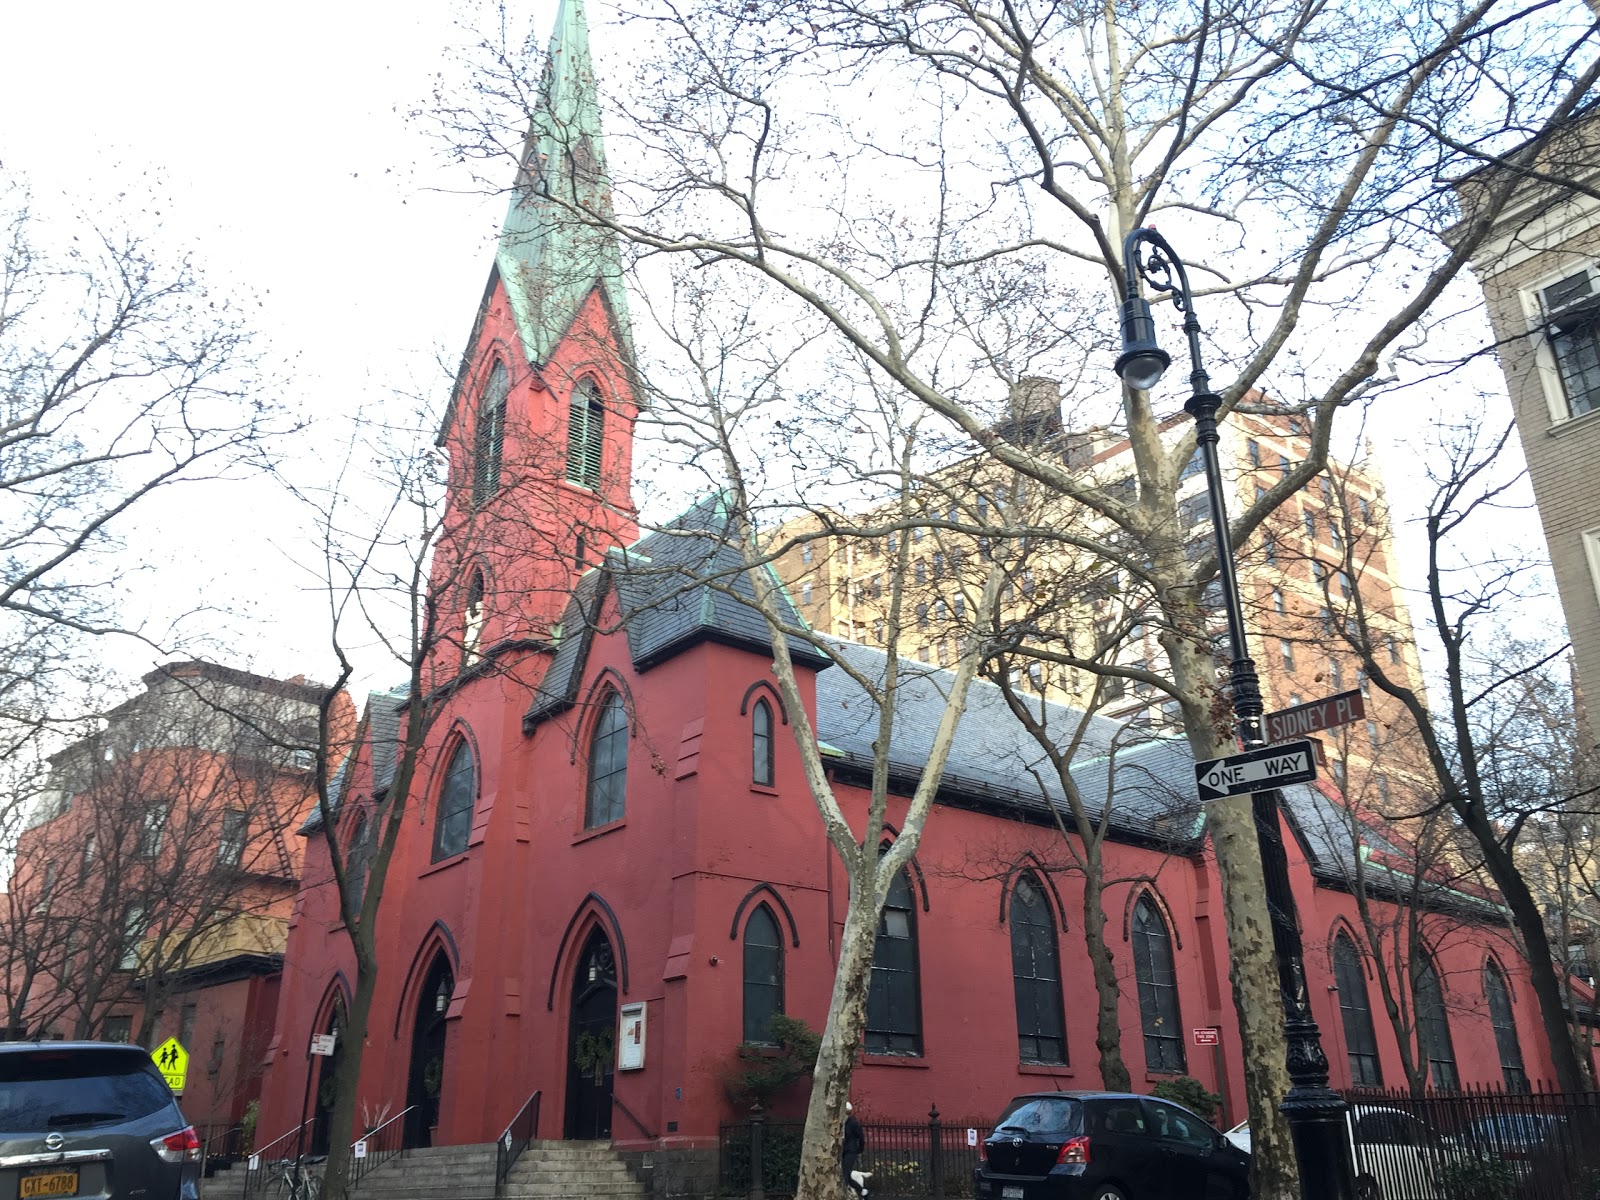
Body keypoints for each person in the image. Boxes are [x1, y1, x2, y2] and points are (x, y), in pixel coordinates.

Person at [842, 1101, 865, 1195]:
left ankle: (846, 1193)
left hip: (851, 1151)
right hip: (842, 1151)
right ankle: (862, 1191)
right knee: (845, 1173)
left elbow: (861, 1136)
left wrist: (860, 1149)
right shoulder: (841, 1122)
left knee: (844, 1172)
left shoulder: (853, 1123)